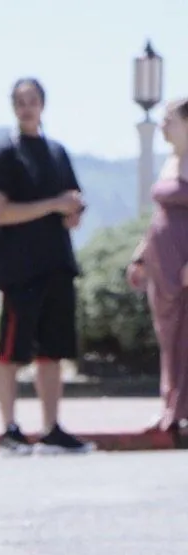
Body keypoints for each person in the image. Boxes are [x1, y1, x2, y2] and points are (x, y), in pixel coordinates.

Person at [0, 79, 94, 455]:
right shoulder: (2, 155)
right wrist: (53, 204)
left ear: (43, 105)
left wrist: (71, 211)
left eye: (32, 101)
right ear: (13, 107)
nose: (26, 108)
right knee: (11, 353)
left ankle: (51, 428)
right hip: (19, 269)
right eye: (20, 102)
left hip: (57, 264)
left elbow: (69, 208)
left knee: (53, 352)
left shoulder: (57, 153)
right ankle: (9, 429)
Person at [128, 96, 188, 444]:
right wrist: (141, 256)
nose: (164, 124)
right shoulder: (169, 162)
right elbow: (158, 218)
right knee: (169, 339)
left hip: (185, 267)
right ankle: (170, 406)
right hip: (162, 266)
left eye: (170, 119)